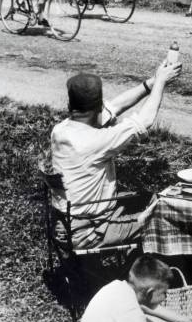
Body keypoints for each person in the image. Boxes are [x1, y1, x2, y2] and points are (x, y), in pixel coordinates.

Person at [50, 60, 182, 250]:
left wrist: (152, 82)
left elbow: (116, 106)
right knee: (164, 219)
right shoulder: (94, 142)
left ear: (71, 104)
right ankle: (143, 272)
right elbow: (145, 120)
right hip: (88, 231)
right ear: (97, 107)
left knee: (147, 199)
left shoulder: (61, 130)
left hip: (65, 223)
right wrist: (161, 82)